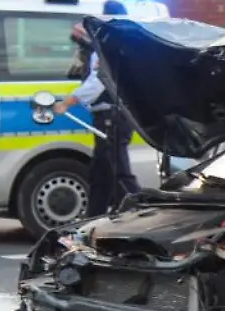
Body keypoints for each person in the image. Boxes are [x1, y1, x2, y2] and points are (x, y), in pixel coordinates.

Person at [54, 0, 141, 218]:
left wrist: (68, 102)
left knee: (117, 172)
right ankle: (93, 218)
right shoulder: (123, 42)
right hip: (115, 115)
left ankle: (142, 213)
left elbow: (98, 82)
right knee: (101, 172)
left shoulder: (106, 45)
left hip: (112, 116)